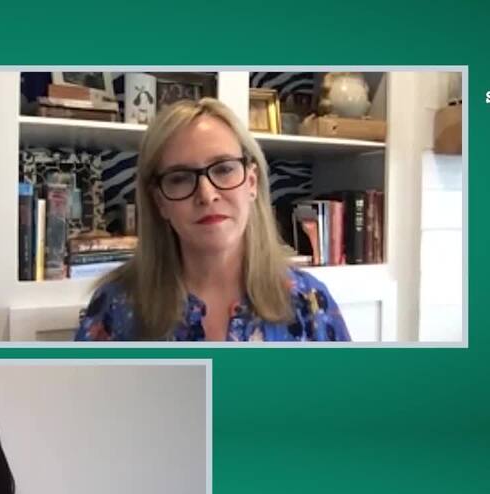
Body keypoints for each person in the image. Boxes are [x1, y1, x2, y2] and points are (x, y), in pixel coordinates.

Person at [75, 97, 350, 342]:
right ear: (159, 201)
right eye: (180, 178)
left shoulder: (309, 302)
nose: (207, 195)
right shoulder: (115, 307)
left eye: (224, 169)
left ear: (251, 182)